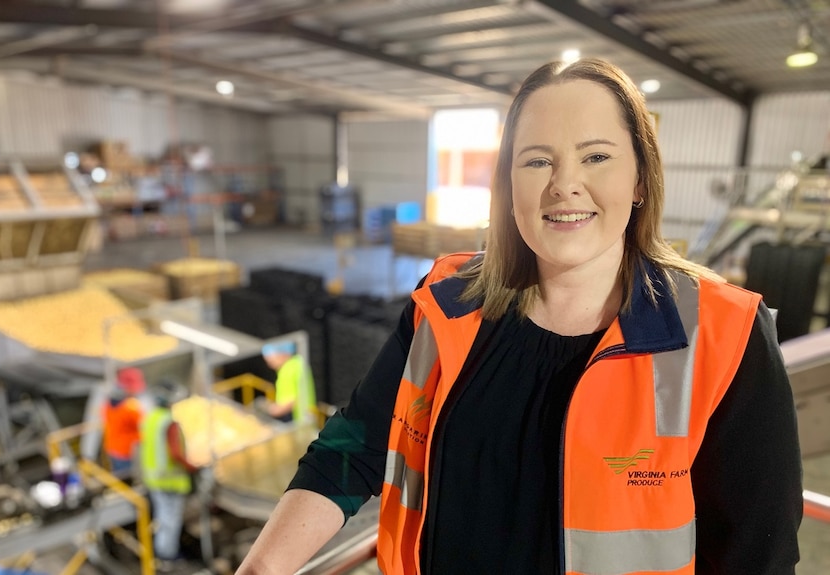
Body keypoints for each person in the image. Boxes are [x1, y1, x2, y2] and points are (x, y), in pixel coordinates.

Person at [235, 58, 803, 575]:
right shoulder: (445, 307)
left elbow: (758, 555)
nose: (564, 185)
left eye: (596, 156)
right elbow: (356, 444)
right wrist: (261, 570)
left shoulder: (726, 338)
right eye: (537, 160)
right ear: (508, 184)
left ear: (639, 178)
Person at [140, 379, 198, 570]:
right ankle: (167, 559)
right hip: (169, 480)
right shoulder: (169, 422)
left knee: (162, 518)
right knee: (170, 521)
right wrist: (194, 466)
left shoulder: (151, 417)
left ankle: (162, 554)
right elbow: (176, 453)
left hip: (152, 477)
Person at [101, 366, 146, 475]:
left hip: (112, 447)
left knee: (120, 478)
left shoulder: (108, 404)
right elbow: (143, 425)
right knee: (130, 478)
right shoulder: (130, 408)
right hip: (127, 451)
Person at [260, 341, 316, 424]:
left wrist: (270, 410)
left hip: (298, 420)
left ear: (282, 354)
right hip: (309, 416)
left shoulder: (287, 370)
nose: (269, 365)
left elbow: (291, 402)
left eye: (271, 361)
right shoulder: (298, 361)